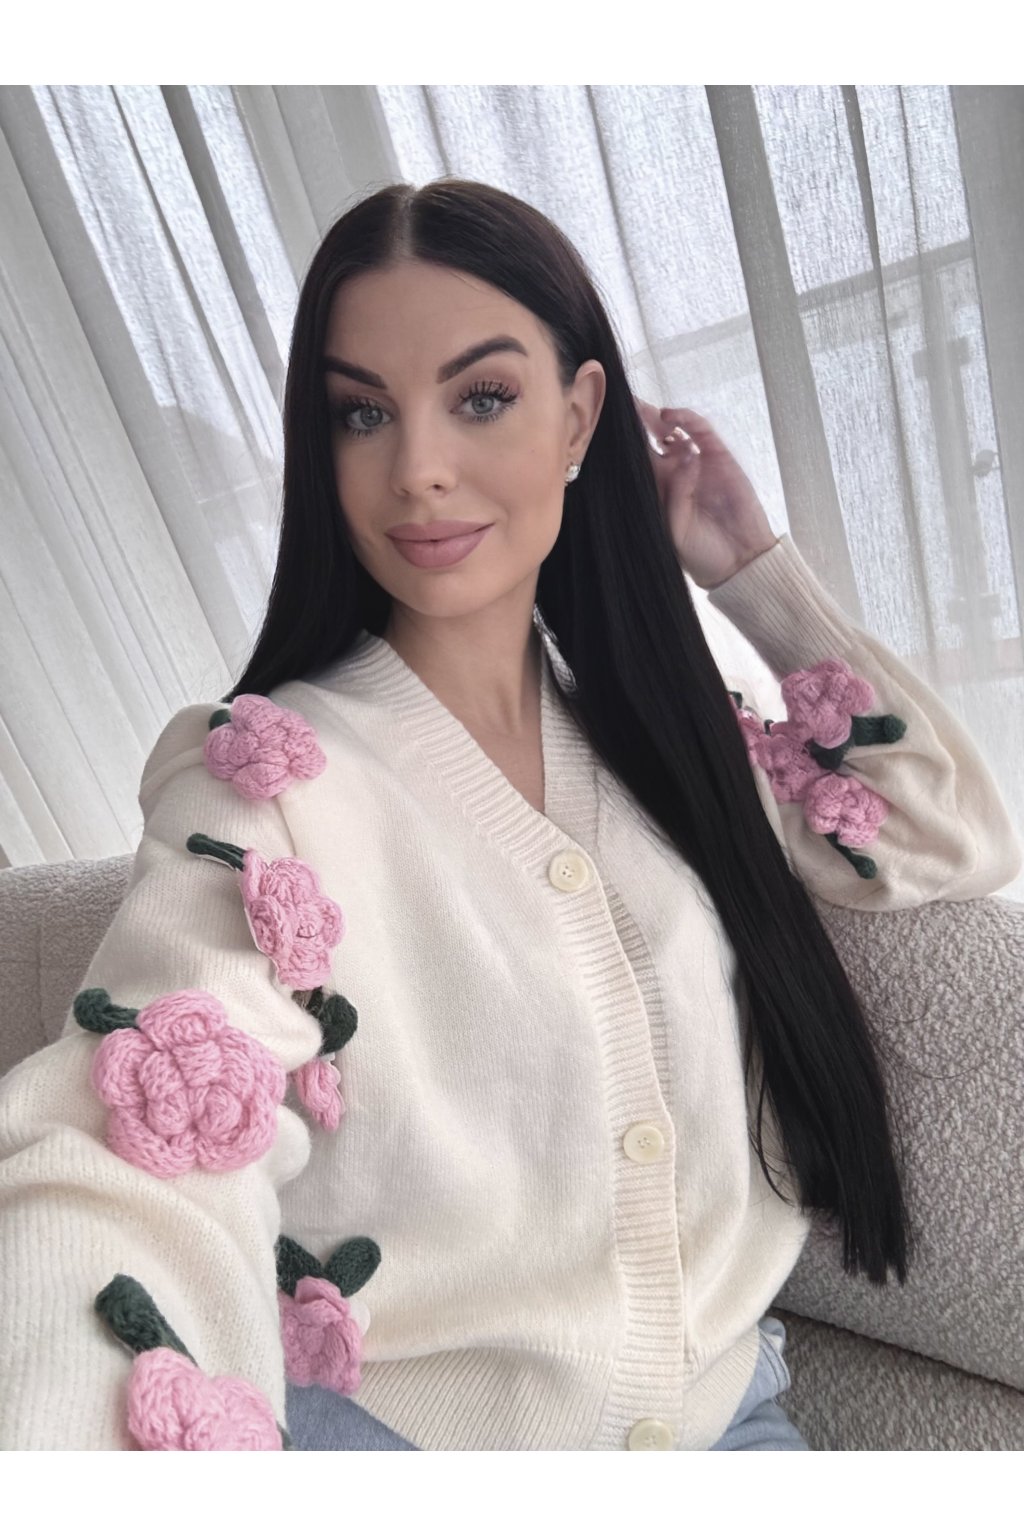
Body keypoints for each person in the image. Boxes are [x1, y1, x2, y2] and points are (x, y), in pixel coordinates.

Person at [0, 178, 1019, 1453]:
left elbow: (943, 833)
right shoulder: (262, 781)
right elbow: (132, 1147)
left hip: (726, 1424)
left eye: (481, 397)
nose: (418, 470)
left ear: (579, 414)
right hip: (390, 1444)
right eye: (362, 413)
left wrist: (750, 571)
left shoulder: (671, 743)